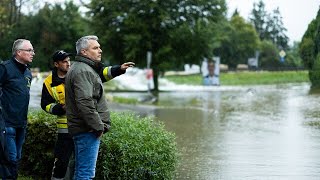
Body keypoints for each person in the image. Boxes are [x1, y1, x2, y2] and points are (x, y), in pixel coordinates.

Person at [65, 35, 134, 179]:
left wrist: (119, 69)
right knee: (86, 173)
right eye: (95, 48)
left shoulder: (85, 68)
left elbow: (101, 77)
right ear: (84, 52)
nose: (100, 50)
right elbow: (85, 102)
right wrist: (98, 126)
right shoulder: (83, 71)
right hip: (87, 129)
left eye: (99, 47)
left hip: (84, 128)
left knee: (81, 170)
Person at [0, 39, 35, 179]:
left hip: (21, 124)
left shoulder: (28, 72)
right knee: (10, 160)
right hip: (6, 123)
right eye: (29, 50)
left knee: (17, 159)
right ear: (18, 52)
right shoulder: (4, 68)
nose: (33, 53)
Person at [40, 50, 74, 180]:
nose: (68, 64)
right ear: (56, 64)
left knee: (78, 164)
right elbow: (45, 104)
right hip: (64, 130)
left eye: (69, 61)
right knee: (61, 162)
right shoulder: (48, 82)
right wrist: (59, 109)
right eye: (64, 62)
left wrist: (118, 69)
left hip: (83, 127)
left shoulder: (76, 75)